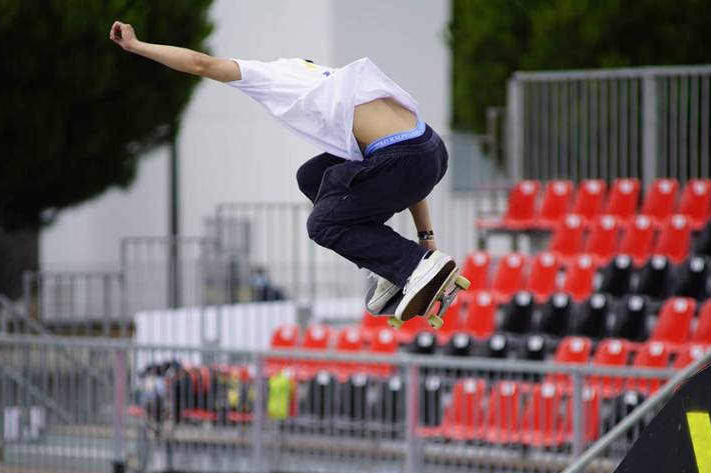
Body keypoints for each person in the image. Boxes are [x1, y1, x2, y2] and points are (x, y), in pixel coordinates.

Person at [110, 21, 458, 322]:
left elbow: (201, 63)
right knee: (313, 176)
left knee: (322, 224)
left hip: (402, 159)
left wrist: (137, 46)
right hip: (429, 152)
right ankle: (394, 267)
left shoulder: (269, 75)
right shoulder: (337, 83)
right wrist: (425, 237)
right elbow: (415, 175)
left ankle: (410, 267)